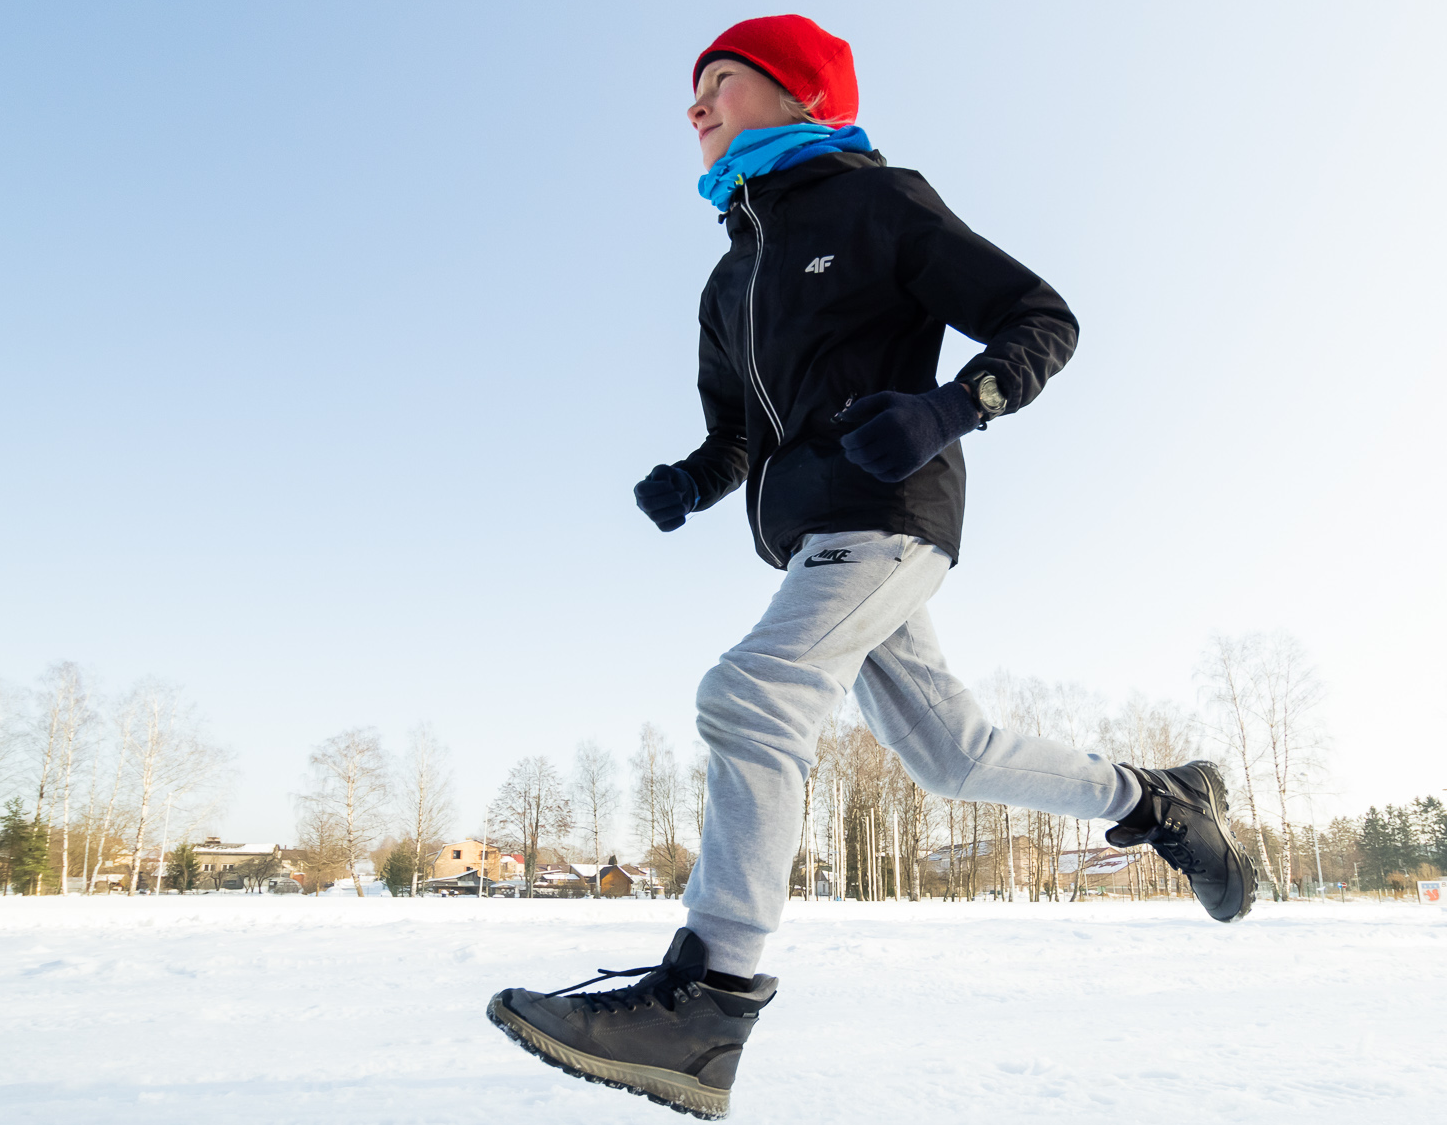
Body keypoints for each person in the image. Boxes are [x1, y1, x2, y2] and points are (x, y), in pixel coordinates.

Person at [486, 15, 1255, 1120]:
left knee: (749, 694)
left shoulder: (879, 201)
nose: (694, 108)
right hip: (815, 535)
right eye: (691, 94)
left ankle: (708, 998)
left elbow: (1039, 317)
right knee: (951, 752)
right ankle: (1157, 799)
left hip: (888, 511)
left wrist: (948, 409)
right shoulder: (730, 275)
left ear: (798, 94)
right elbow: (736, 437)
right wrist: (691, 483)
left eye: (721, 83)